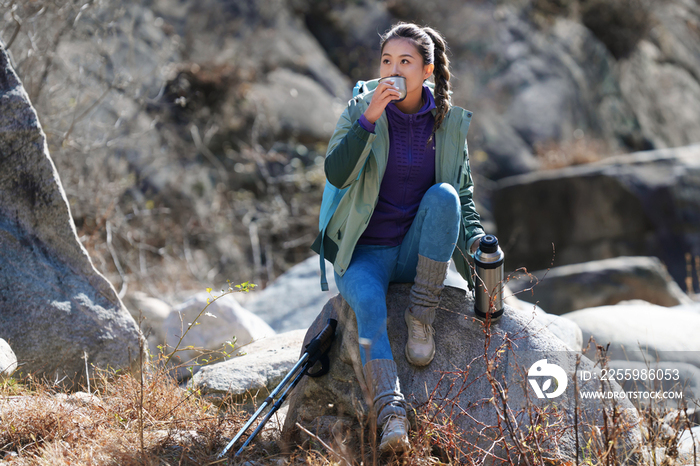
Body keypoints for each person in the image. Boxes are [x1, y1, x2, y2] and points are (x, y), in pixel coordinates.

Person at [311, 22, 485, 455]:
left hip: (414, 252)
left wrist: (479, 246)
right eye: (387, 60)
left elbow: (461, 195)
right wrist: (369, 119)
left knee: (443, 196)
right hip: (364, 252)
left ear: (426, 71)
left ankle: (421, 314)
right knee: (368, 304)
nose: (392, 69)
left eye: (404, 62)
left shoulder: (446, 122)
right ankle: (392, 414)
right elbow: (336, 173)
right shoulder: (360, 108)